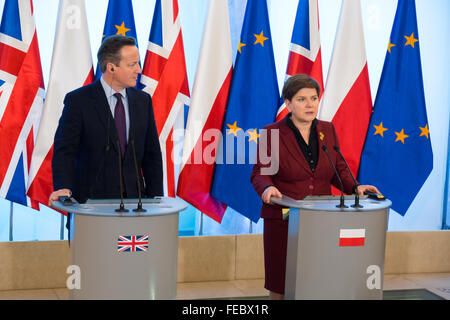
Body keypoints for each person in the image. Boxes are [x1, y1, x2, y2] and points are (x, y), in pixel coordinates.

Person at [250, 74, 380, 300]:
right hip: (284, 218)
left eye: (314, 98)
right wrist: (267, 190)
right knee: (281, 282)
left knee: (318, 277)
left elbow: (338, 169)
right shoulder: (272, 133)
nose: (310, 104)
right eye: (301, 99)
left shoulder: (327, 130)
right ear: (288, 104)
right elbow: (261, 173)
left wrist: (355, 188)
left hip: (321, 219)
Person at [49, 35, 163, 206]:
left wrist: (156, 200)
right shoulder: (79, 101)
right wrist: (63, 187)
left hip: (136, 204)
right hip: (90, 204)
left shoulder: (143, 101)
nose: (139, 70)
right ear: (111, 68)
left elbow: (152, 155)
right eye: (132, 65)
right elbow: (65, 151)